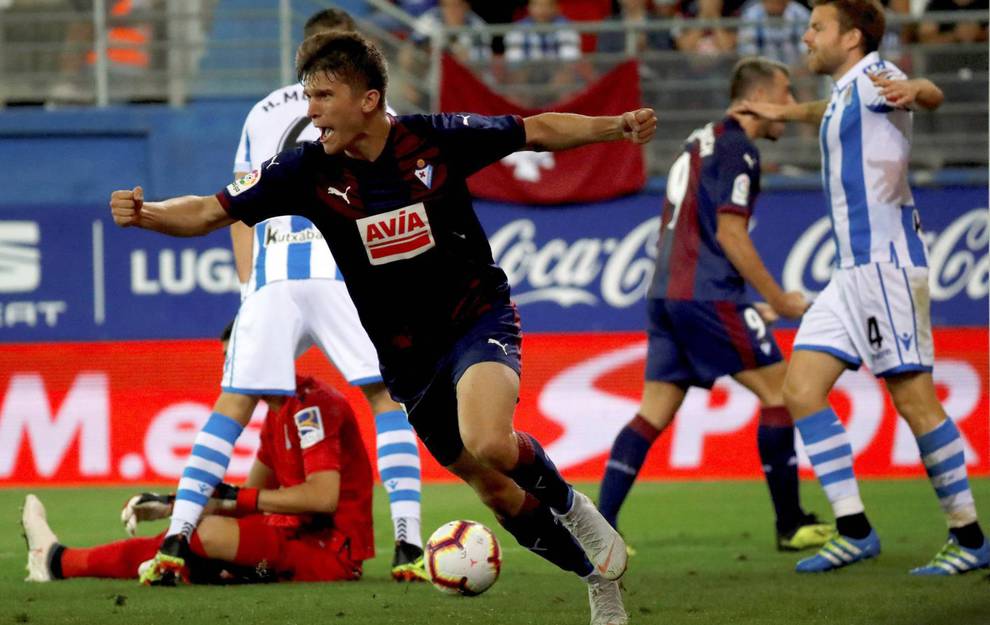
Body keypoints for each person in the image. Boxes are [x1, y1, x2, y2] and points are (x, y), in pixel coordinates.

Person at [110, 31, 656, 625]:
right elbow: (213, 209)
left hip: (475, 316)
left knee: (490, 441)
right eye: (308, 96)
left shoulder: (432, 140)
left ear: (368, 99)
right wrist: (147, 216)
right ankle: (596, 579)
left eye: (323, 95)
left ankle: (573, 505)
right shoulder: (305, 171)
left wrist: (615, 126)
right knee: (495, 489)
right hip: (407, 357)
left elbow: (535, 130)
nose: (311, 111)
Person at [735, 0, 987, 575]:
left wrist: (917, 88)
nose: (805, 37)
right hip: (850, 275)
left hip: (886, 267)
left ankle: (969, 536)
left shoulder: (880, 78)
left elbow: (926, 93)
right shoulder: (847, 94)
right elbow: (827, 109)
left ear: (852, 38)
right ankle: (854, 529)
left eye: (817, 27)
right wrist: (779, 108)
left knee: (913, 400)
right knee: (800, 390)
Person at [597, 56, 834, 555]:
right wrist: (777, 298)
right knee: (782, 392)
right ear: (762, 95)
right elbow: (729, 233)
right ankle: (791, 524)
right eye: (786, 93)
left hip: (664, 295)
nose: (789, 106)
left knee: (653, 413)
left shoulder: (699, 140)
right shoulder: (738, 149)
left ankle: (601, 529)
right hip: (706, 294)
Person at [225, 7, 427, 583]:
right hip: (346, 276)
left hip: (275, 277)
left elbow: (238, 210)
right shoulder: (369, 109)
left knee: (243, 402)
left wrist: (248, 288)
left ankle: (184, 530)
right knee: (387, 399)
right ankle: (407, 544)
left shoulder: (262, 112)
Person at [21, 321, 375, 584]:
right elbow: (247, 499)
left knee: (206, 536)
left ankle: (215, 572)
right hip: (288, 540)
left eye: (233, 359)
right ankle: (59, 561)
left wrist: (224, 501)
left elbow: (322, 497)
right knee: (194, 532)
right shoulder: (275, 412)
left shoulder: (312, 407)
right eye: (225, 360)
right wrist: (176, 506)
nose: (227, 372)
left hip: (330, 555)